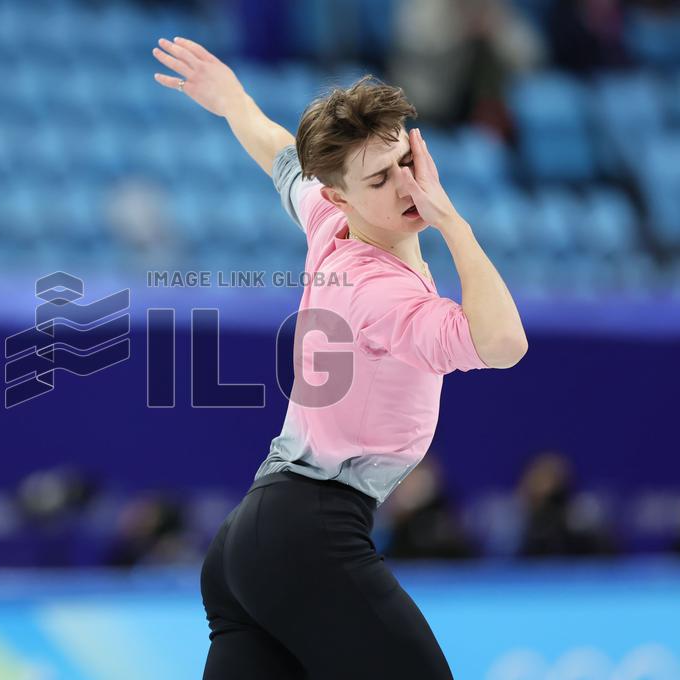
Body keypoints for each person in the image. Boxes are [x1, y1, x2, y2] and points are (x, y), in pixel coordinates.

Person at [153, 36, 528, 679]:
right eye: (380, 179)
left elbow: (276, 151)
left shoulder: (328, 222)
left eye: (406, 159)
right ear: (342, 196)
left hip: (254, 543)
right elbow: (504, 344)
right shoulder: (381, 296)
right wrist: (455, 224)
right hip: (309, 536)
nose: (407, 185)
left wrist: (233, 99)